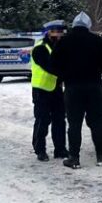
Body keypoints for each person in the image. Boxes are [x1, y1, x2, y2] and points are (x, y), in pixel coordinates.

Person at [50, 12, 102, 169]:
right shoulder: (98, 41)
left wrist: (65, 74)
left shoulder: (64, 41)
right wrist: (96, 68)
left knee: (74, 123)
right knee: (97, 121)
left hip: (73, 88)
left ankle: (74, 158)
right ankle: (101, 156)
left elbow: (53, 63)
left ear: (74, 25)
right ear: (89, 25)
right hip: (94, 86)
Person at [31, 20, 68, 162]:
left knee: (59, 120)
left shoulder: (57, 46)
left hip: (56, 89)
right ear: (49, 32)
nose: (60, 35)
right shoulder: (40, 48)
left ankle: (60, 149)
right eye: (57, 32)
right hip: (41, 90)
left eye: (61, 32)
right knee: (42, 120)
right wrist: (68, 73)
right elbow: (50, 67)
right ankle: (40, 149)